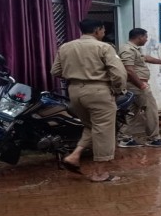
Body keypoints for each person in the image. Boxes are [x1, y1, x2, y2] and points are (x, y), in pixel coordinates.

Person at [50, 18, 127, 182]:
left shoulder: (65, 47)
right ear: (97, 30)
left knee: (91, 126)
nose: (104, 33)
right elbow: (119, 74)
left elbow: (55, 71)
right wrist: (117, 90)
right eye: (103, 30)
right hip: (99, 91)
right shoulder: (104, 47)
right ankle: (100, 173)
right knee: (104, 131)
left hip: (75, 92)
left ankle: (74, 155)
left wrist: (76, 75)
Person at [118, 28, 161, 148]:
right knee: (151, 109)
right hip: (136, 85)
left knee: (131, 112)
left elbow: (146, 58)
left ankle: (125, 138)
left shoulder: (134, 49)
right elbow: (129, 70)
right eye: (145, 37)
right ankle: (154, 138)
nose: (147, 39)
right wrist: (141, 85)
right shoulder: (128, 49)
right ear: (139, 37)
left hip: (134, 85)